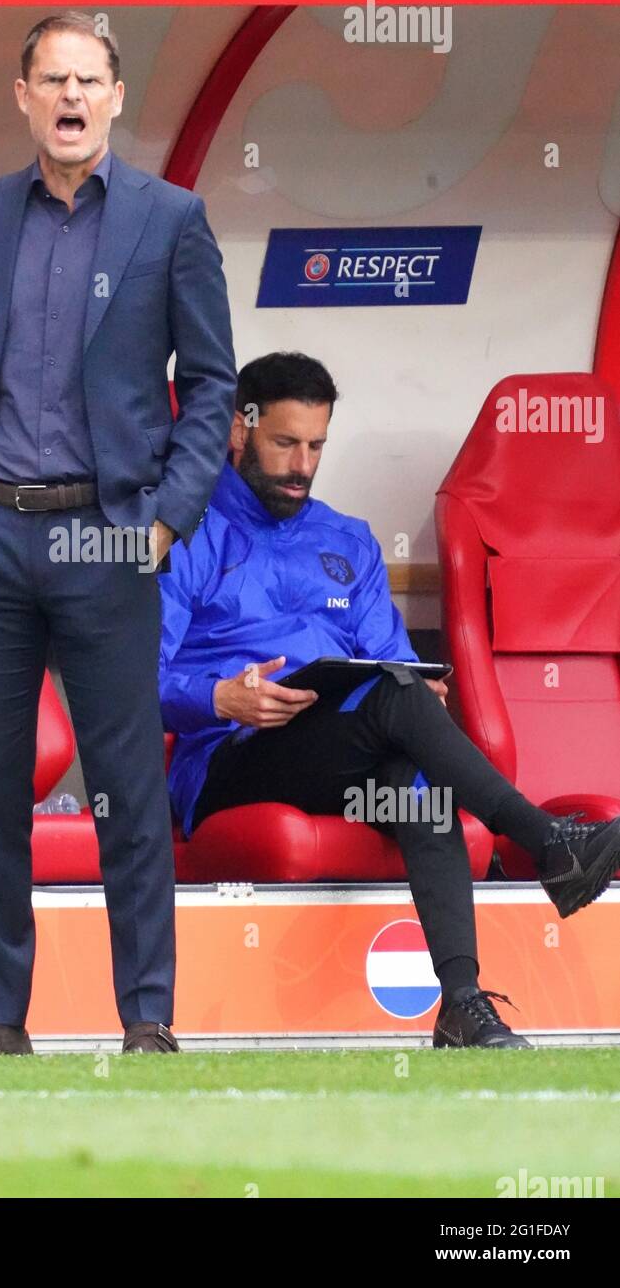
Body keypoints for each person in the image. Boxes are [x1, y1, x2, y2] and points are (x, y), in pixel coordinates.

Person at [0, 11, 237, 1055]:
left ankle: (147, 1017)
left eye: (89, 80)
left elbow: (214, 383)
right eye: (53, 80)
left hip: (111, 534)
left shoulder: (171, 218)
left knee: (126, 785)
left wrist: (169, 520)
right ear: (22, 94)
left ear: (117, 96)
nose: (72, 98)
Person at [158, 351, 620, 1049]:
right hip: (229, 759)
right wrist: (221, 697)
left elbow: (394, 665)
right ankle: (544, 842)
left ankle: (461, 1002)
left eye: (315, 445)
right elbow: (132, 684)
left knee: (416, 781)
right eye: (284, 443)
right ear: (236, 431)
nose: (301, 465)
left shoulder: (347, 539)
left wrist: (423, 689)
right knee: (397, 704)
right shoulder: (181, 532)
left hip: (338, 748)